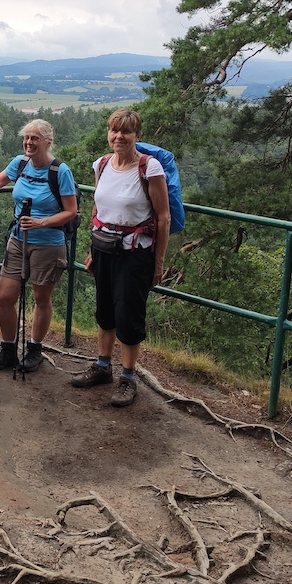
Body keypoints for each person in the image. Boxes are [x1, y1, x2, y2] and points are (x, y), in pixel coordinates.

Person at [72, 108, 170, 407]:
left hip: (135, 253)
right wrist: (92, 249)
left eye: (126, 132)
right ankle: (102, 367)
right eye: (114, 130)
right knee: (104, 309)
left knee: (128, 314)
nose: (119, 136)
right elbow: (98, 210)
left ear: (137, 136)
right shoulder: (101, 165)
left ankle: (128, 378)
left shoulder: (149, 169)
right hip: (104, 249)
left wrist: (158, 262)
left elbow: (163, 217)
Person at [0, 119, 78, 373]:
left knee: (41, 298)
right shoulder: (20, 163)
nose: (29, 143)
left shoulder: (60, 171)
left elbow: (70, 212)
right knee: (5, 296)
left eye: (35, 138)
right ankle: (8, 348)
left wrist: (40, 222)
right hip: (18, 240)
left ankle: (34, 348)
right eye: (26, 138)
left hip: (48, 243)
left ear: (48, 141)